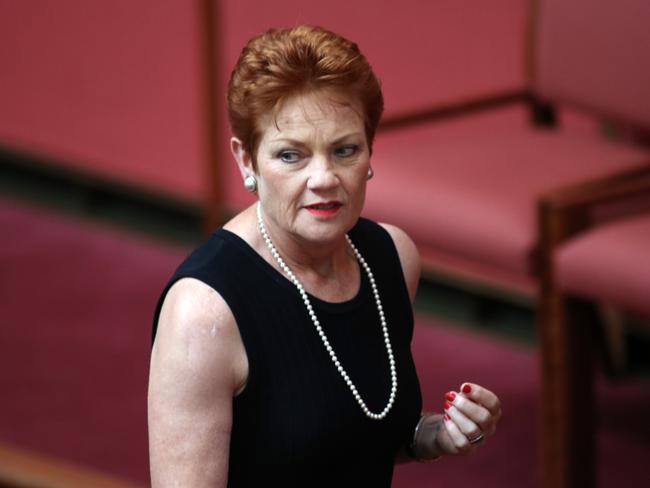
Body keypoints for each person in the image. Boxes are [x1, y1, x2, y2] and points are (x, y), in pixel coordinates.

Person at [148, 25, 502, 487]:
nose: (324, 178)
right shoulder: (204, 314)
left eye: (345, 150)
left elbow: (348, 435)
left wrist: (436, 435)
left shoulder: (391, 258)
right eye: (292, 156)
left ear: (370, 150)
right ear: (246, 161)